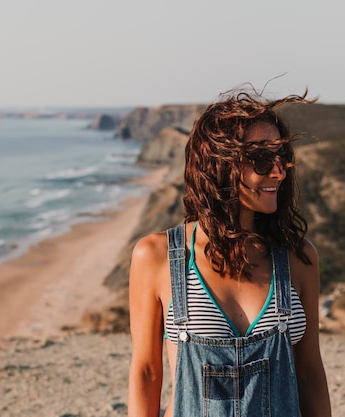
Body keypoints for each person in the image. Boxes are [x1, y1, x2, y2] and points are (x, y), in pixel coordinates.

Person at [127, 88, 331, 417]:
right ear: (219, 164)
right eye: (262, 159)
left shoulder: (298, 258)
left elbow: (309, 374)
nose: (278, 171)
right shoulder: (156, 256)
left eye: (281, 157)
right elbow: (147, 373)